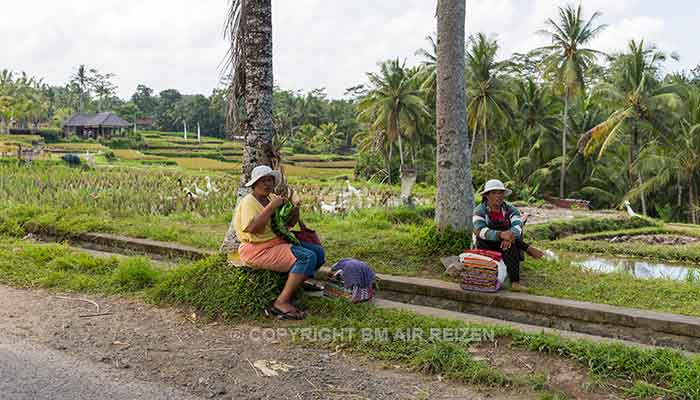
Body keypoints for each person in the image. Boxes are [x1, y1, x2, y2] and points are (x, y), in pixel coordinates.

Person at [233, 165, 325, 319]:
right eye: (263, 181)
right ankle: (281, 302)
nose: (267, 184)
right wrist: (271, 207)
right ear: (254, 184)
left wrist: (295, 210)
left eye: (270, 180)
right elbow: (253, 228)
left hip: (274, 242)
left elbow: (285, 224)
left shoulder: (270, 198)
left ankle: (299, 282)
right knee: (307, 257)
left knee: (318, 252)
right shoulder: (249, 201)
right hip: (256, 249)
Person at [472, 179, 543, 292]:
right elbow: (480, 230)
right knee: (496, 235)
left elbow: (517, 226)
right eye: (494, 193)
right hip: (485, 244)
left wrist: (508, 237)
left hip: (506, 242)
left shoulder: (511, 209)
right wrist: (501, 235)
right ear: (487, 195)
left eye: (500, 193)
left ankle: (515, 283)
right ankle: (526, 248)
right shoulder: (479, 210)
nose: (498, 196)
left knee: (510, 244)